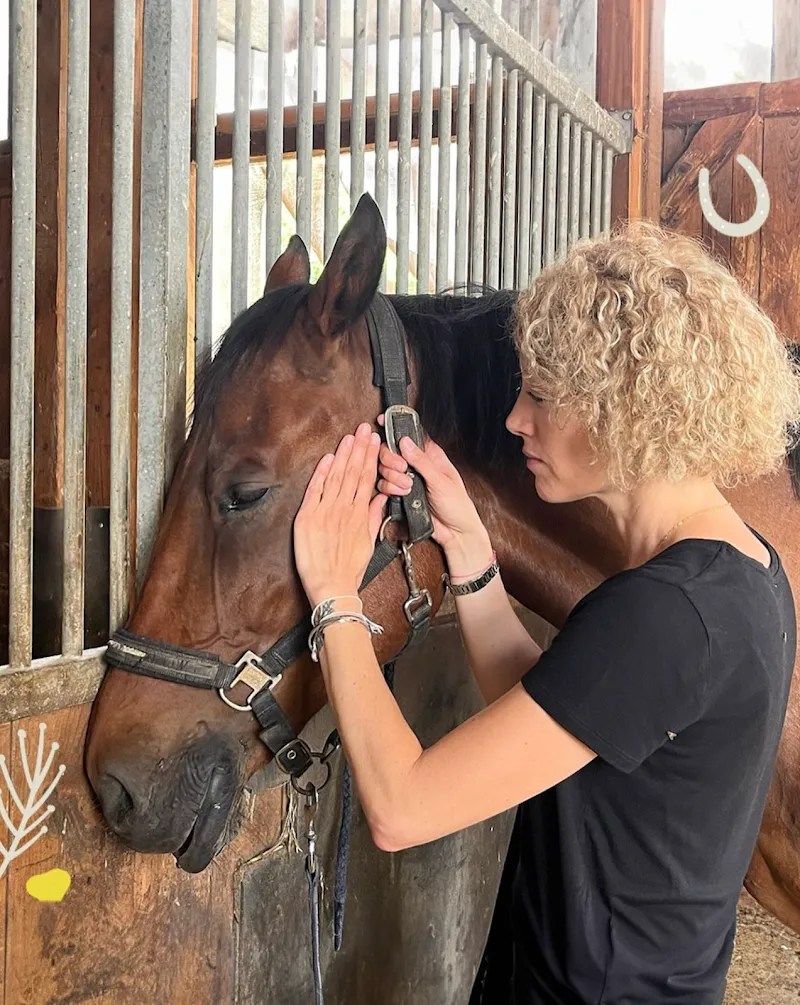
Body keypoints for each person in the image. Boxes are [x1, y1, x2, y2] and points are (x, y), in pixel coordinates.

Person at [291, 222, 800, 1004]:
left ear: (628, 408)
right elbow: (559, 718)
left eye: (544, 395)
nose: (516, 419)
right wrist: (471, 550)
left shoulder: (663, 614)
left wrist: (333, 599)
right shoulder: (745, 569)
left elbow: (400, 806)